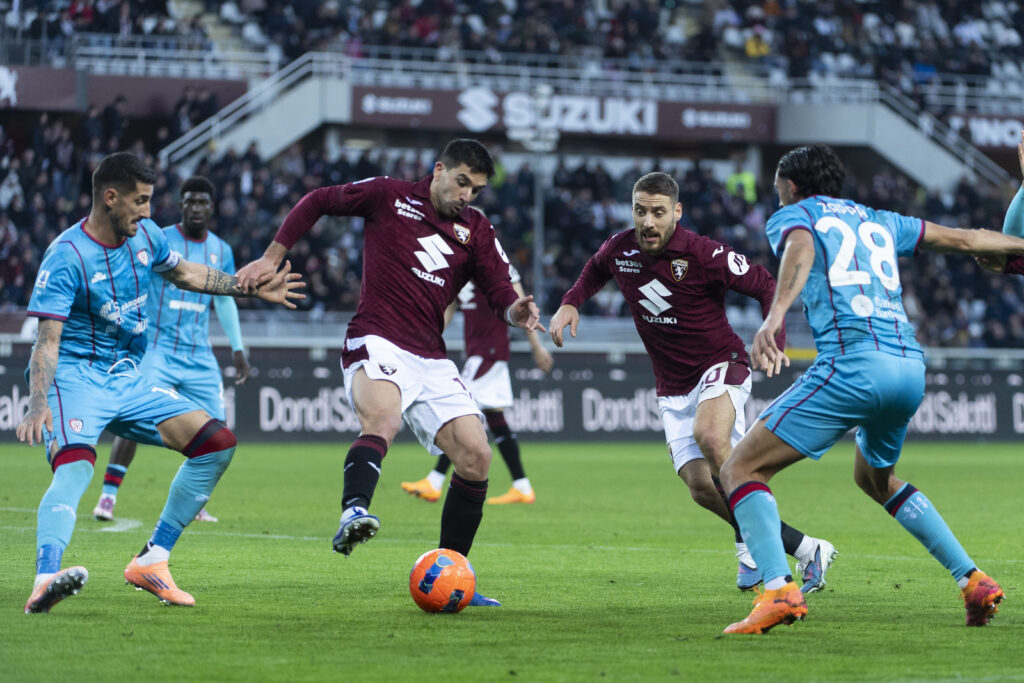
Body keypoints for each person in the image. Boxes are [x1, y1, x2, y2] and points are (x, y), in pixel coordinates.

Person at [719, 144, 1015, 635]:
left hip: (853, 366)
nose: (778, 201)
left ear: (791, 188)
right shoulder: (883, 220)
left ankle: (778, 589)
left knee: (739, 467)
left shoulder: (796, 215)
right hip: (908, 367)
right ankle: (972, 579)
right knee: (875, 479)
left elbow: (801, 246)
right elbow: (967, 240)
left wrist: (774, 316)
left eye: (778, 192)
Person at [235, 139, 543, 606]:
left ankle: (452, 573)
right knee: (384, 419)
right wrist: (271, 257)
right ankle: (353, 512)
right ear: (439, 170)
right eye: (462, 183)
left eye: (476, 190)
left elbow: (500, 288)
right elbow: (318, 200)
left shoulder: (477, 229)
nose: (467, 196)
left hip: (432, 355)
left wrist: (514, 312)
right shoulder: (388, 195)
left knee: (477, 456)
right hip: (377, 335)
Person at [18, 152, 304, 614]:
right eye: (141, 200)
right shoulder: (66, 255)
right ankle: (45, 580)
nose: (150, 212)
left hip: (129, 378)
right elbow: (46, 342)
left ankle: (153, 559)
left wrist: (245, 287)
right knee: (75, 469)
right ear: (110, 198)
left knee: (218, 443)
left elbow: (187, 273)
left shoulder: (146, 236)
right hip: (76, 378)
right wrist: (37, 402)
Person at [549, 171, 835, 593]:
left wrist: (774, 336)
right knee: (702, 487)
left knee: (712, 438)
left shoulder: (703, 253)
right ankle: (806, 547)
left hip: (722, 363)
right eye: (640, 211)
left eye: (658, 213)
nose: (647, 222)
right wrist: (571, 302)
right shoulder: (620, 248)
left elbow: (763, 283)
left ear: (676, 213)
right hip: (672, 386)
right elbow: (595, 268)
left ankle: (769, 570)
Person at [91, 176, 251, 524]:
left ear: (211, 207)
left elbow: (224, 301)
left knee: (218, 430)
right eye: (190, 201)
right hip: (158, 349)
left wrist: (238, 347)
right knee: (132, 414)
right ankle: (108, 495)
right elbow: (136, 280)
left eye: (202, 203)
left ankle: (194, 502)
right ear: (181, 204)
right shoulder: (157, 237)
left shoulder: (221, 250)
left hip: (198, 354)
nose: (196, 208)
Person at [400, 263, 554, 505]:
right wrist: (426, 335)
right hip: (477, 352)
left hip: (490, 351)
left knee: (458, 410)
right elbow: (449, 308)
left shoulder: (498, 264)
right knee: (495, 420)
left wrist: (536, 346)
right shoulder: (458, 265)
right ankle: (522, 486)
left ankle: (435, 480)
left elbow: (523, 306)